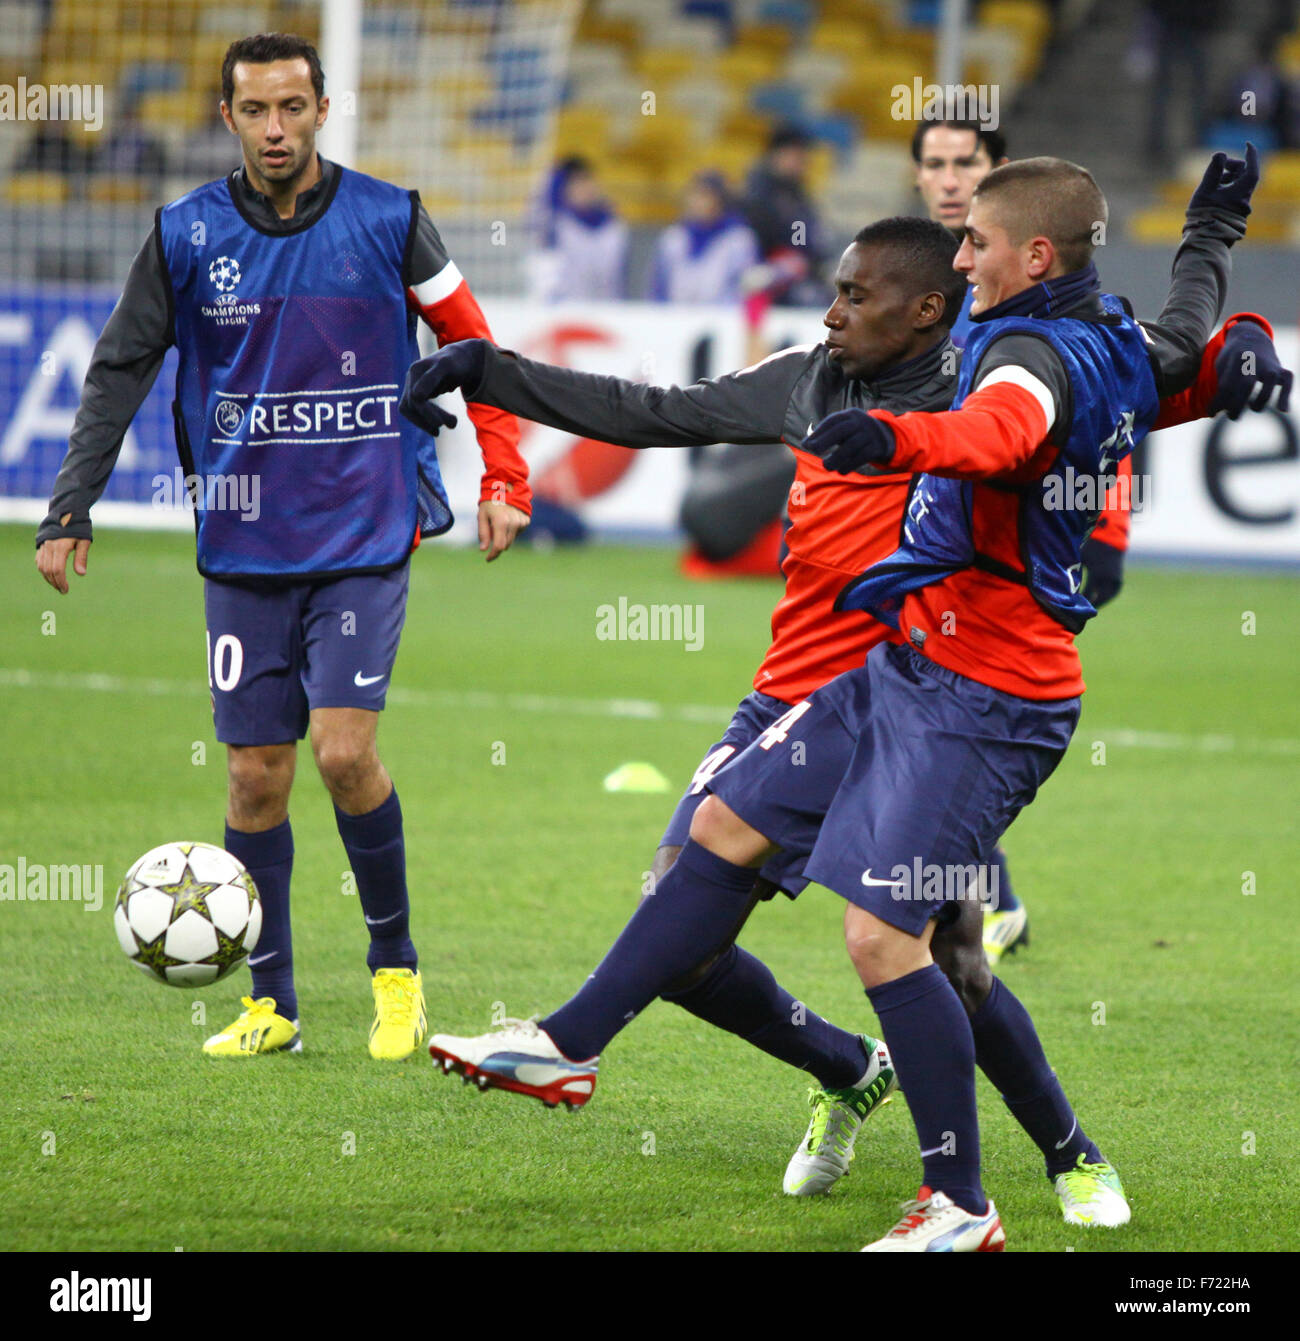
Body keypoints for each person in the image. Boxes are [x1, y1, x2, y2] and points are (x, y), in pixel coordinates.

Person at [400, 149, 1287, 1240]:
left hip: (961, 700)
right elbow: (645, 406)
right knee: (699, 867)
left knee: (938, 961)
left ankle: (1049, 1155)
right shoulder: (818, 377)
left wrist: (1232, 341)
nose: (829, 315)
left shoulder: (1000, 365)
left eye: (855, 295)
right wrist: (489, 371)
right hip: (837, 686)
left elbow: (1080, 396)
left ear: (932, 310)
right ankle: (622, 1047)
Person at [34, 32, 531, 1060]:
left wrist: (505, 478)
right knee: (255, 777)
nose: (275, 128)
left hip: (363, 528)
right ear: (228, 117)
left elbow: (473, 344)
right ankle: (272, 1004)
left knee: (344, 752)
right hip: (243, 542)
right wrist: (70, 505)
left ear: (322, 108)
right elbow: (121, 367)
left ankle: (395, 976)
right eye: (255, 110)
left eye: (292, 108)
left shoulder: (388, 218)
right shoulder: (186, 233)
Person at [649, 171, 760, 305]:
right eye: (694, 195)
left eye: (705, 196)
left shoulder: (738, 239)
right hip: (676, 317)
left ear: (720, 200)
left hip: (723, 318)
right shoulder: (674, 237)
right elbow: (659, 286)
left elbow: (749, 286)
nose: (697, 202)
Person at [528, 156, 627, 302]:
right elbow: (534, 220)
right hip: (566, 309)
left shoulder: (614, 228)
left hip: (605, 309)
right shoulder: (556, 225)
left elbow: (619, 277)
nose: (586, 189)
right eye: (578, 183)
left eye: (588, 181)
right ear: (565, 188)